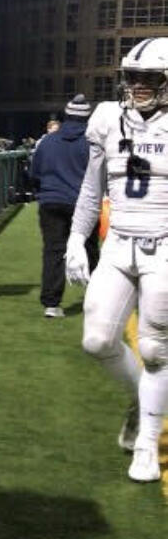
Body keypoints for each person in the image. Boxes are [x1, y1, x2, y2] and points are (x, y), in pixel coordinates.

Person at [66, 37, 168, 482]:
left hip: (164, 243)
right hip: (119, 241)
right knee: (97, 340)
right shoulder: (107, 119)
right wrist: (75, 237)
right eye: (133, 77)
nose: (139, 85)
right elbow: (93, 187)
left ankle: (147, 440)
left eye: (150, 78)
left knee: (154, 349)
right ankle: (139, 400)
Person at [29, 94, 99, 318]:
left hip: (51, 201)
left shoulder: (48, 141)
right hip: (83, 203)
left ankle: (52, 304)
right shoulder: (93, 143)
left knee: (54, 251)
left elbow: (34, 174)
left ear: (66, 115)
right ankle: (96, 298)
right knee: (88, 249)